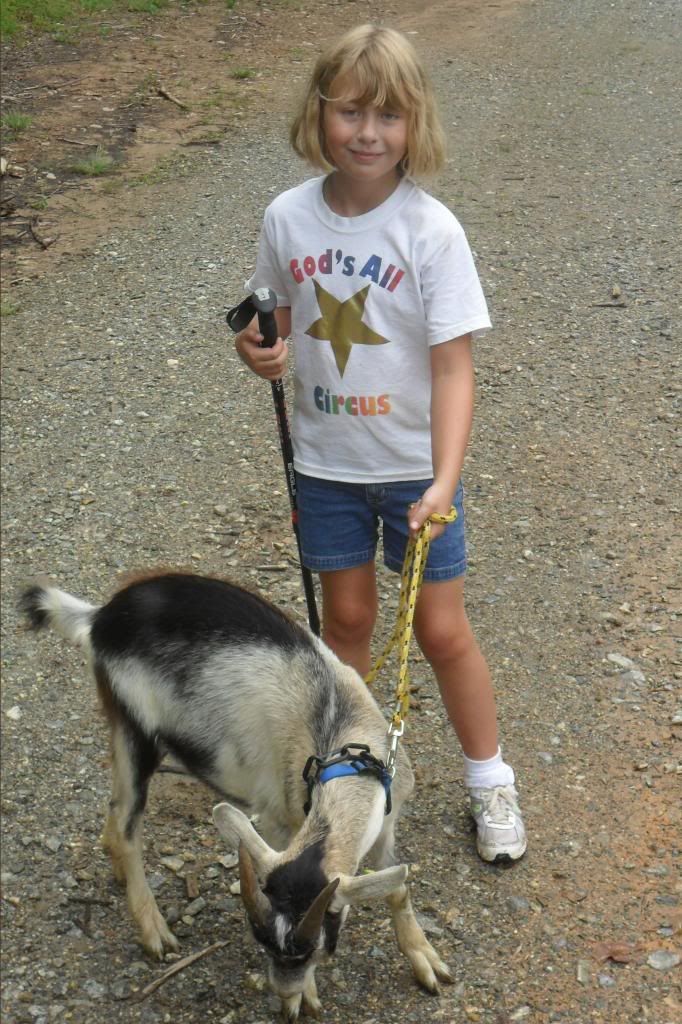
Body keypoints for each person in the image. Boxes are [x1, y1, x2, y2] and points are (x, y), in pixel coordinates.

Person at [233, 24, 526, 863]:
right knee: (346, 625)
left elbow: (454, 369)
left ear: (414, 122)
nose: (368, 133)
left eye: (388, 116)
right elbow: (267, 320)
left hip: (414, 475)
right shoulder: (288, 217)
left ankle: (490, 780)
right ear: (319, 113)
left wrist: (444, 480)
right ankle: (345, 784)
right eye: (351, 112)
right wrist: (257, 350)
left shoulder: (431, 231)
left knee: (441, 631)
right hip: (326, 467)